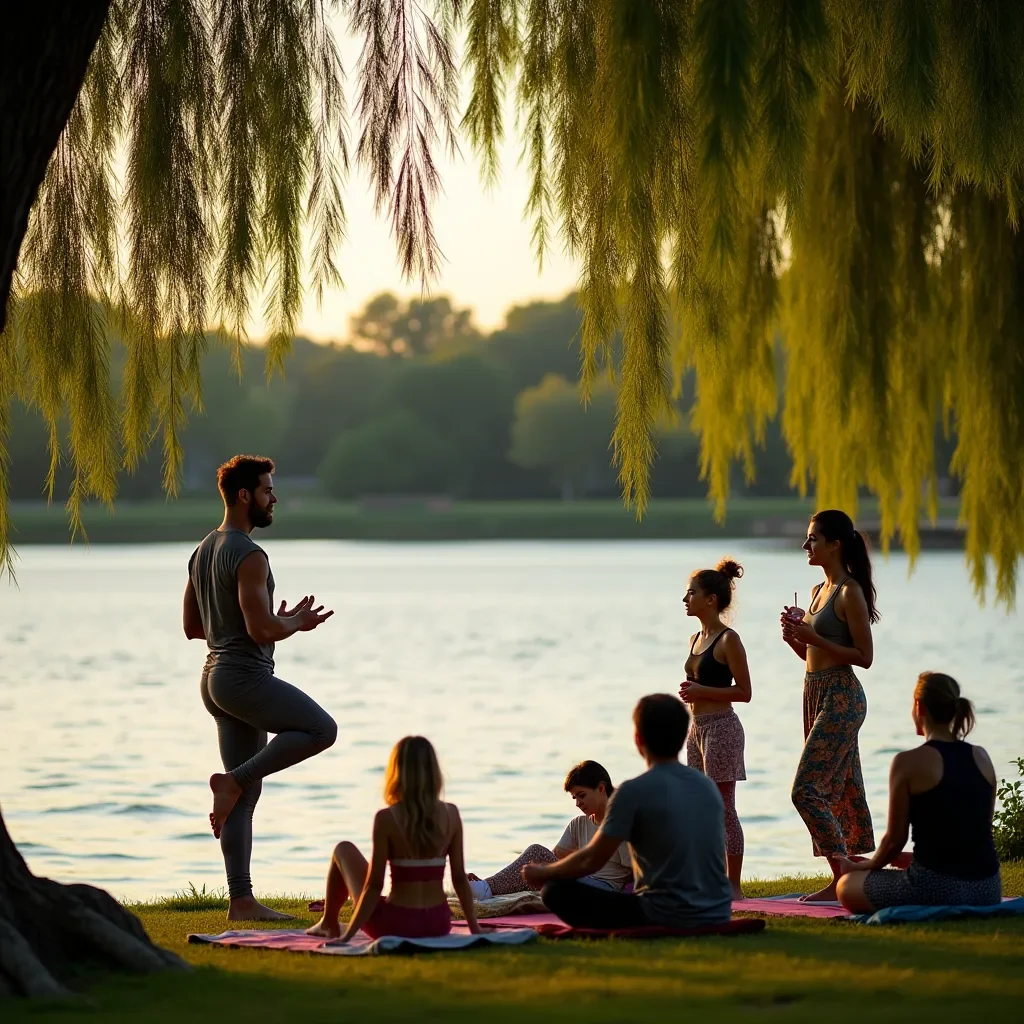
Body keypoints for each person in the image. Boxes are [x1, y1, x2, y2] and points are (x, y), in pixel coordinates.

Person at [183, 455, 337, 921]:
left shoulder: (203, 549)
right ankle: (233, 780)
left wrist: (272, 620)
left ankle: (241, 902)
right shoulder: (249, 554)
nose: (275, 498)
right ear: (245, 495)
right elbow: (259, 630)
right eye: (268, 490)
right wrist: (292, 622)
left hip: (214, 680)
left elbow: (193, 627)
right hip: (243, 677)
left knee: (242, 801)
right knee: (320, 730)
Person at [523, 694, 733, 929]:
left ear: (637, 739)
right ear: (684, 736)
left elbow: (592, 860)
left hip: (663, 914)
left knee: (554, 891)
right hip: (717, 912)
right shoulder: (708, 787)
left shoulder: (632, 792)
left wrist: (544, 873)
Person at [836, 673, 1001, 912]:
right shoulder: (982, 757)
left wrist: (864, 866)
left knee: (846, 885)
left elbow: (894, 840)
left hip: (935, 888)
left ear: (918, 706)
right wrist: (915, 858)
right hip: (987, 890)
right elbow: (974, 833)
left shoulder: (907, 761)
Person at [780, 509, 877, 902]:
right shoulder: (818, 591)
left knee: (805, 789)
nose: (806, 545)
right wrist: (795, 638)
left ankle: (841, 878)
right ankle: (853, 874)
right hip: (815, 691)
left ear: (835, 544)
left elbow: (864, 656)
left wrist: (814, 639)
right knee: (840, 788)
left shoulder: (848, 591)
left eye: (813, 539)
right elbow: (811, 656)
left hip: (842, 696)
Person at [306, 736, 480, 941]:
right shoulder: (451, 814)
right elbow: (459, 879)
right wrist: (475, 930)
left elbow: (373, 885)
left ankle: (329, 924)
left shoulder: (386, 818)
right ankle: (328, 923)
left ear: (397, 772)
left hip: (397, 924)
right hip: (438, 923)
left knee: (343, 849)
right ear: (434, 771)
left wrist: (347, 938)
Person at [678, 558, 752, 898]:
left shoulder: (728, 640)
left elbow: (744, 692)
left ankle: (732, 885)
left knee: (723, 807)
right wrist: (690, 696)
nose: (685, 599)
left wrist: (701, 692)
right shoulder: (695, 637)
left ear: (710, 599)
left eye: (691, 593)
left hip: (722, 728)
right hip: (697, 729)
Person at [466, 760, 633, 899]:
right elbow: (553, 858)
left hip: (607, 891)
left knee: (537, 852)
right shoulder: (578, 824)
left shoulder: (620, 823)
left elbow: (636, 871)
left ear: (601, 789)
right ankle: (488, 886)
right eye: (574, 798)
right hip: (583, 882)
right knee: (539, 862)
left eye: (582, 795)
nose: (577, 803)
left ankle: (485, 889)